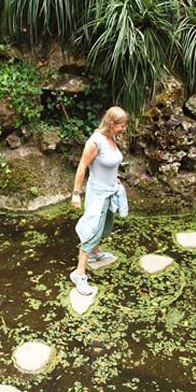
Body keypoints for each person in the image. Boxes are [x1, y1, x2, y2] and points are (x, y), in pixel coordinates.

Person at [70, 106, 129, 295]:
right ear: (111, 124)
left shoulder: (111, 138)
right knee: (92, 230)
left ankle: (95, 254)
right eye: (122, 125)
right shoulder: (95, 142)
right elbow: (82, 166)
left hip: (110, 190)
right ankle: (79, 273)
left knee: (105, 225)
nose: (124, 129)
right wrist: (76, 193)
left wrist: (114, 179)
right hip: (98, 195)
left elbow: (108, 165)